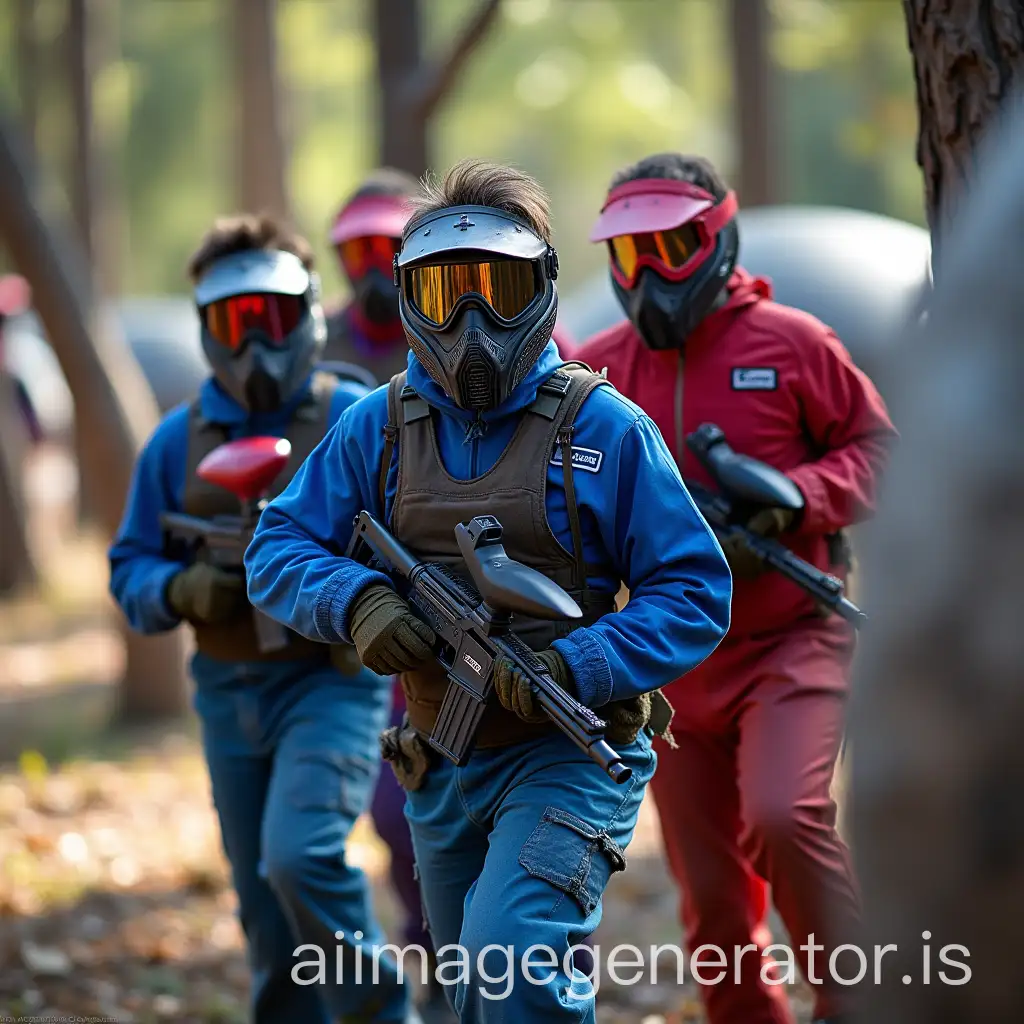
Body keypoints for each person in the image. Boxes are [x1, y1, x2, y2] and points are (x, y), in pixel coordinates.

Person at [244, 158, 732, 1022]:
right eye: (444, 295)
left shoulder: (604, 427)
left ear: (541, 289)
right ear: (406, 299)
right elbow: (277, 544)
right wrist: (355, 602)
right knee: (472, 990)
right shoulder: (379, 426)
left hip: (568, 756)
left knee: (514, 971)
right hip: (441, 757)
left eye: (498, 291)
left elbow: (692, 588)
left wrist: (582, 660)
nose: (472, 323)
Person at [577, 153, 898, 1024]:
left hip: (791, 638)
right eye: (627, 253)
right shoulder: (592, 376)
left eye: (669, 247)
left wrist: (795, 503)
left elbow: (881, 454)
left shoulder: (793, 344)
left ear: (718, 240)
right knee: (712, 893)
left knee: (783, 816)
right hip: (666, 663)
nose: (645, 276)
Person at [108, 214, 418, 1024]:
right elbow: (130, 565)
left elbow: (418, 538)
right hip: (229, 692)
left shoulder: (359, 416)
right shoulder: (176, 444)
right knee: (261, 901)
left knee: (302, 855)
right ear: (207, 330)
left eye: (274, 318)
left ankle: (382, 1014)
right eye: (234, 323)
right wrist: (181, 592)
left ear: (313, 311)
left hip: (331, 683)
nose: (257, 346)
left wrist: (357, 589)